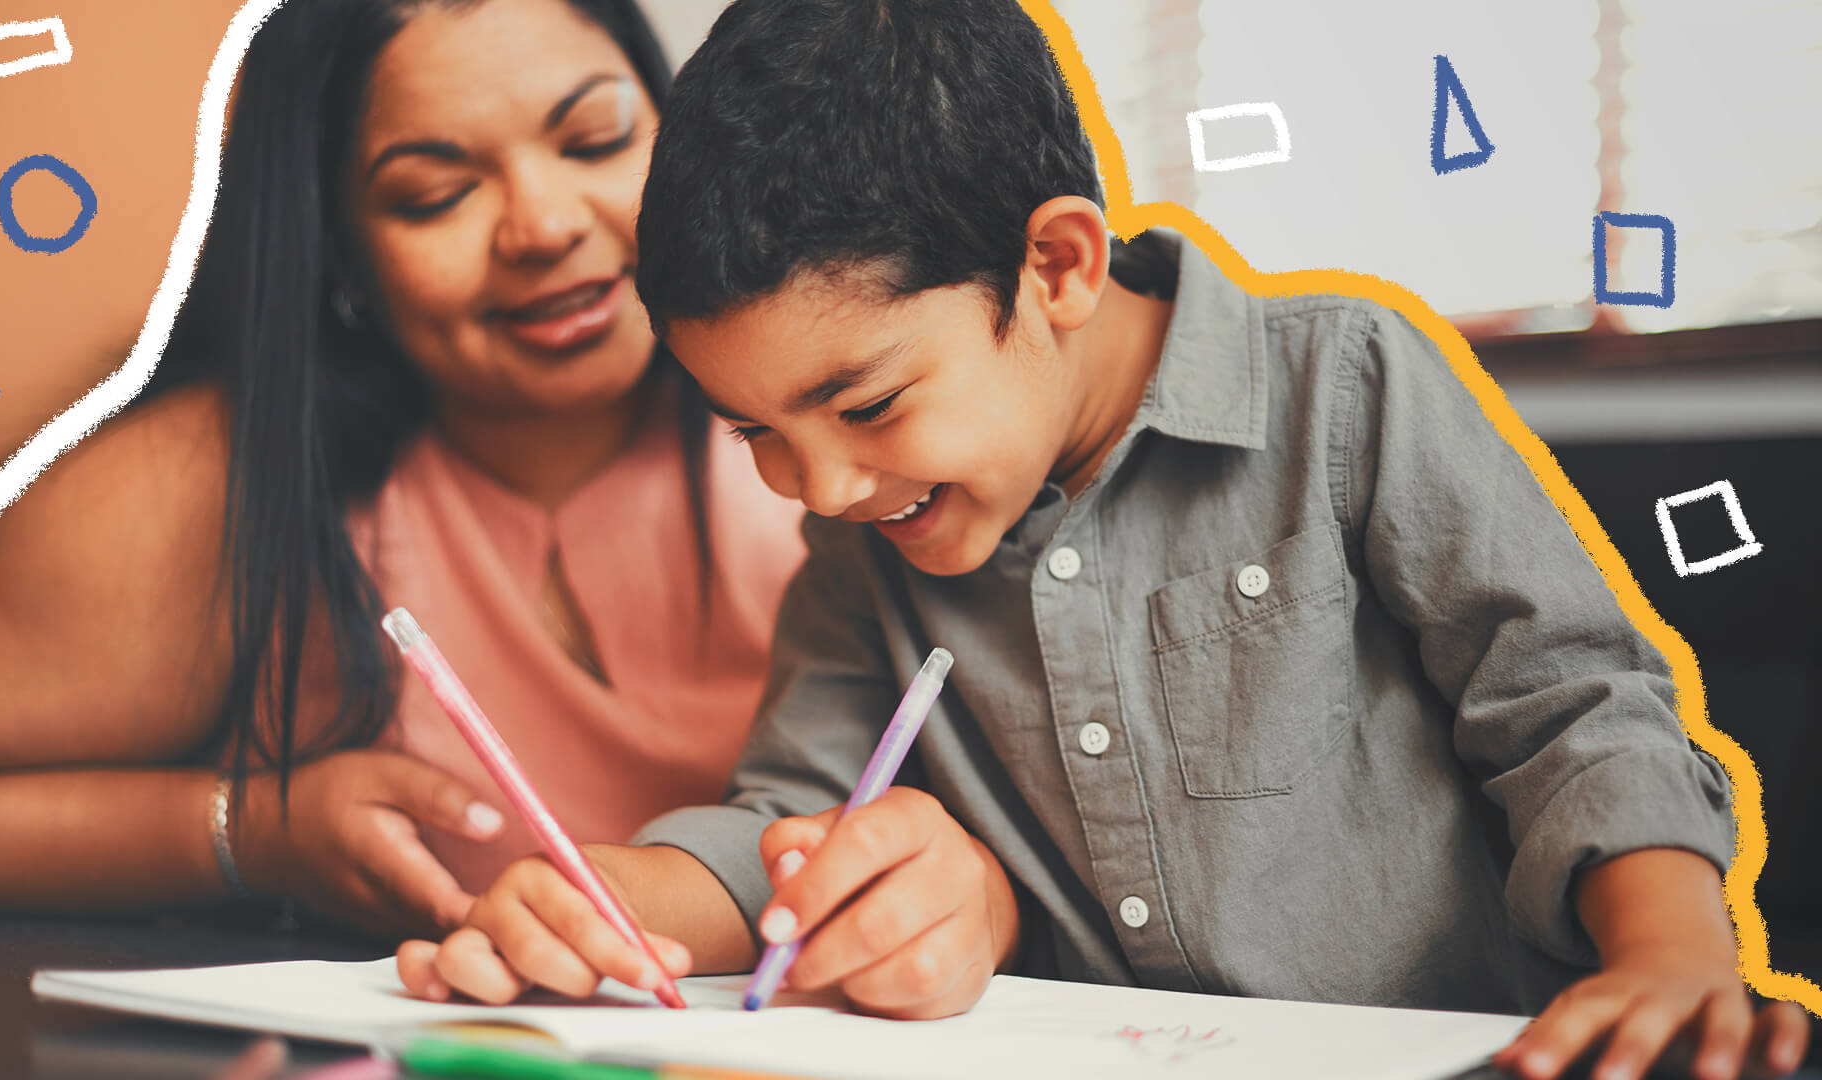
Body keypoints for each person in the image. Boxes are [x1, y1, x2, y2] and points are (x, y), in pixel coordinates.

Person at [397, 1, 1814, 1077]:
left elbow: (1568, 704)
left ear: (1058, 265)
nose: (814, 488)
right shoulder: (867, 532)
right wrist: (612, 903)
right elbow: (790, 829)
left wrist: (1671, 952)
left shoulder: (1341, 385)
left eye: (865, 402)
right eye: (751, 430)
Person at [0, 0, 803, 941]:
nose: (542, 225)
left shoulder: (847, 406)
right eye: (433, 194)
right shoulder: (213, 484)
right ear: (338, 249)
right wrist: (245, 831)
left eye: (595, 139)